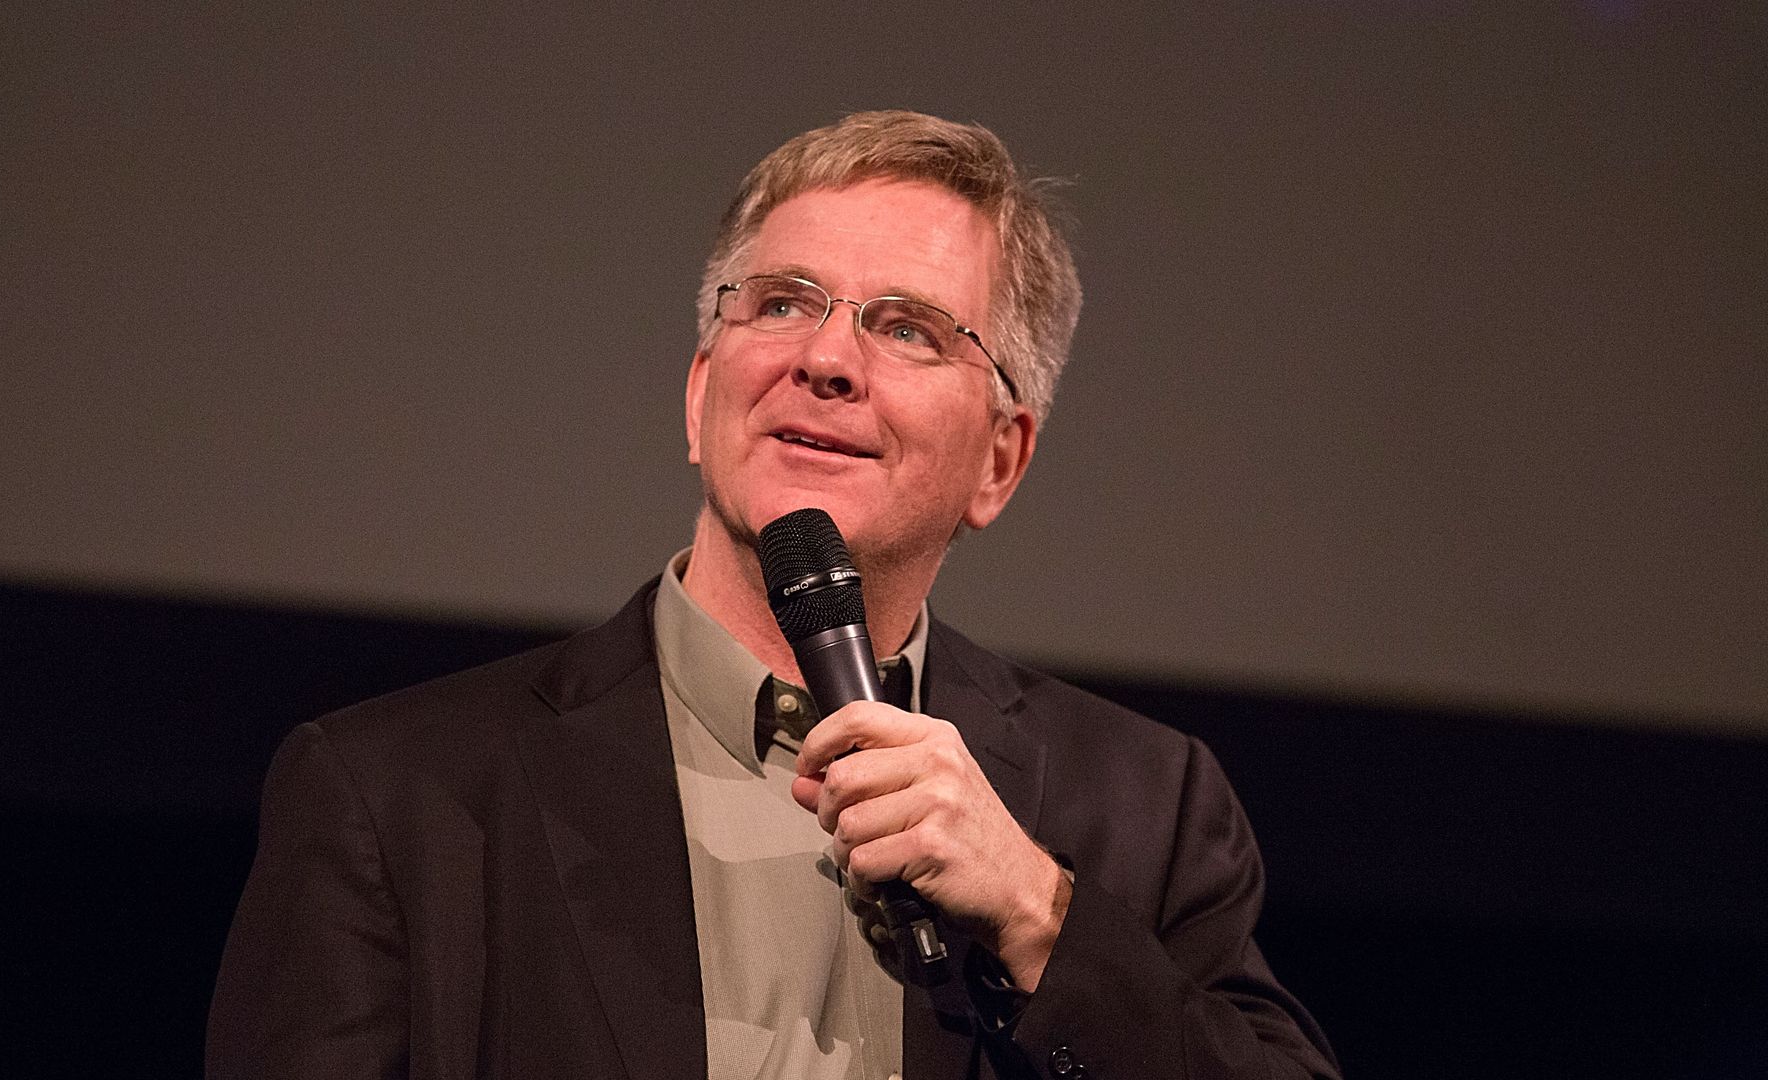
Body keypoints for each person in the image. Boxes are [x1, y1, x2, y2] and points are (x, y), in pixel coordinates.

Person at [208, 110, 1340, 1080]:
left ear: (1001, 460)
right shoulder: (396, 795)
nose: (829, 359)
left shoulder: (1146, 810)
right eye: (787, 304)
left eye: (908, 328)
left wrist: (1043, 917)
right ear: (703, 395)